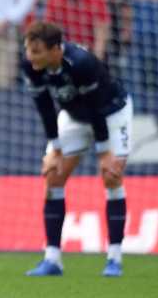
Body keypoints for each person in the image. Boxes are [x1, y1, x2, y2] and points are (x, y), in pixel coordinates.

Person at [21, 22, 132, 278]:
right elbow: (45, 107)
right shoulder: (31, 66)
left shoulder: (82, 63)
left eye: (36, 51)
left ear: (56, 50)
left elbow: (97, 109)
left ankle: (114, 258)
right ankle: (52, 260)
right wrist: (55, 149)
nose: (30, 56)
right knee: (53, 175)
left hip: (113, 114)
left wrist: (104, 153)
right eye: (28, 50)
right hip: (73, 117)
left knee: (112, 176)